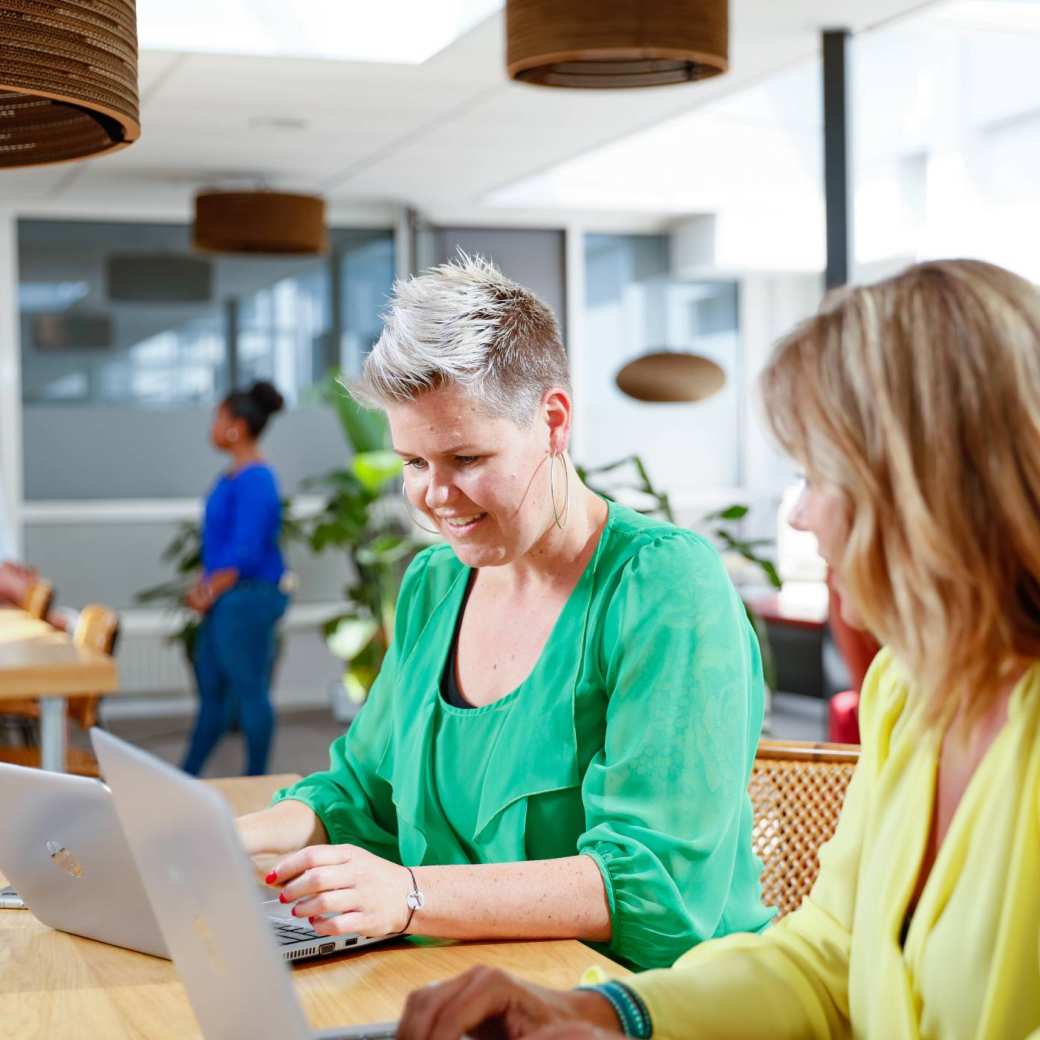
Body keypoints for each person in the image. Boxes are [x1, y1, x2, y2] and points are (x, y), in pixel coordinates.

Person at [395, 258, 1040, 1040]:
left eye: (820, 474)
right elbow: (828, 958)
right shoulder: (911, 692)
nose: (800, 518)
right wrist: (608, 1010)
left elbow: (655, 879)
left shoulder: (663, 580)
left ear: (929, 484)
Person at [236, 256, 771, 970]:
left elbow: (651, 884)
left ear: (553, 421)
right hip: (459, 979)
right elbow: (360, 796)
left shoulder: (665, 588)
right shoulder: (434, 583)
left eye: (465, 456)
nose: (435, 495)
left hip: (634, 1002)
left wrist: (413, 896)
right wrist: (229, 838)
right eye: (415, 463)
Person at [181, 380, 289, 777]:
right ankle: (185, 777)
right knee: (212, 693)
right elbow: (219, 544)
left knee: (249, 691)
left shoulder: (257, 479)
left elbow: (244, 552)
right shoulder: (233, 476)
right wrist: (204, 588)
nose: (213, 426)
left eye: (218, 418)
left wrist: (209, 592)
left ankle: (258, 781)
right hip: (224, 598)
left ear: (236, 426)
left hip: (247, 599)